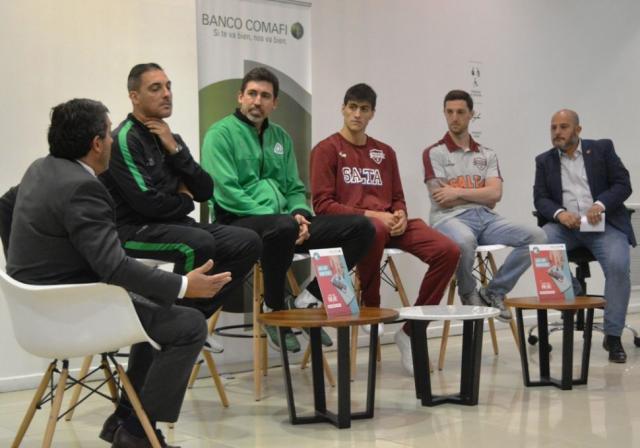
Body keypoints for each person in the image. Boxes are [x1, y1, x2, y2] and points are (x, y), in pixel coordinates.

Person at [7, 99, 231, 447]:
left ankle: (126, 418)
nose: (113, 140)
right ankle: (138, 432)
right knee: (188, 325)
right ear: (96, 143)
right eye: (109, 133)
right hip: (71, 313)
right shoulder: (84, 188)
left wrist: (26, 270)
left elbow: (5, 208)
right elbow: (113, 267)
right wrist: (186, 285)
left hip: (37, 312)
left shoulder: (40, 168)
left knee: (152, 307)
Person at [201, 67, 375, 352]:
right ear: (240, 97)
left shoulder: (281, 137)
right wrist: (285, 219)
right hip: (237, 222)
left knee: (362, 228)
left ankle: (309, 298)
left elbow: (294, 187)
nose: (258, 101)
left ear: (275, 103)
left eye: (265, 96)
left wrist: (301, 215)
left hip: (287, 223)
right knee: (281, 227)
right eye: (252, 94)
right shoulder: (219, 135)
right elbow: (227, 192)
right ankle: (273, 308)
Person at [101, 63, 261, 353]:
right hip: (130, 230)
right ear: (134, 96)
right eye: (156, 88)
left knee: (247, 241)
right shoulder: (124, 138)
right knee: (197, 242)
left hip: (168, 224)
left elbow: (204, 190)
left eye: (168, 86)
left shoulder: (169, 138)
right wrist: (184, 200)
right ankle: (178, 328)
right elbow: (148, 204)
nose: (166, 94)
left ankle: (193, 322)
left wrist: (175, 149)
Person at [310, 83, 460, 375]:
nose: (357, 114)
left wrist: (401, 213)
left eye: (364, 109)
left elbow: (397, 197)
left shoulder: (385, 152)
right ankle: (372, 307)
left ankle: (412, 331)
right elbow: (322, 205)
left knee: (449, 250)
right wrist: (373, 214)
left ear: (372, 114)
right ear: (342, 108)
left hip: (390, 224)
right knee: (373, 229)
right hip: (353, 229)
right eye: (352, 107)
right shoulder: (326, 149)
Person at [422, 90, 547, 321]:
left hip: (486, 218)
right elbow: (440, 198)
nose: (454, 117)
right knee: (465, 241)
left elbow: (495, 195)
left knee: (537, 236)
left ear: (472, 114)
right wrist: (480, 194)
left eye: (460, 112)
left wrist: (457, 191)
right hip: (449, 219)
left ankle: (493, 291)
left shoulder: (487, 154)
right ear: (444, 114)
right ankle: (468, 292)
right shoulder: (434, 153)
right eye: (449, 112)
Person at [534, 109, 635, 363]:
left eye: (564, 127)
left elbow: (623, 184)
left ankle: (612, 336)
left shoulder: (602, 149)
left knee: (618, 265)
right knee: (540, 244)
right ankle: (576, 291)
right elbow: (541, 198)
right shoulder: (544, 160)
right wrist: (559, 213)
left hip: (602, 225)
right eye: (553, 127)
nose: (557, 132)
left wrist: (600, 205)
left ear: (578, 130)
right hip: (566, 227)